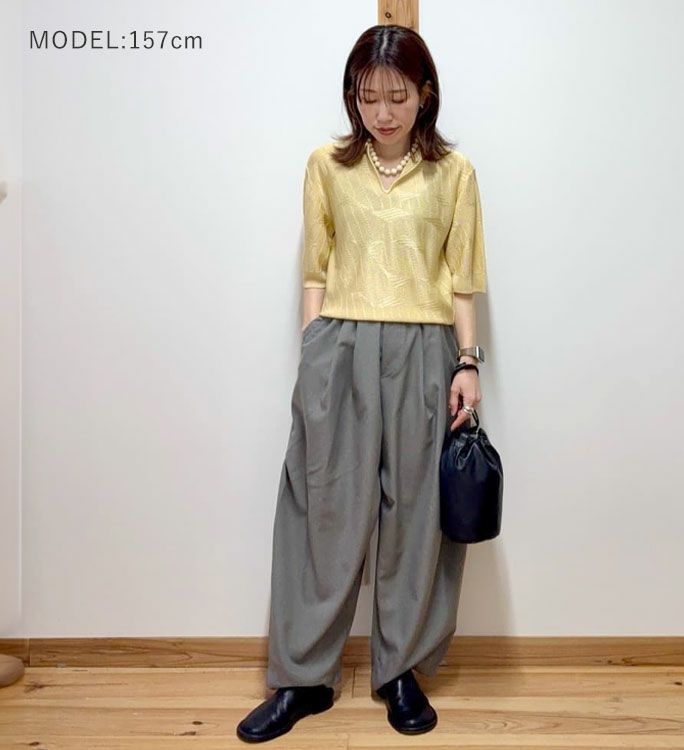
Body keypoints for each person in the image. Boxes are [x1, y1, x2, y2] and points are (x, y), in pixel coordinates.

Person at [237, 23, 487, 744]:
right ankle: (302, 677)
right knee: (323, 509)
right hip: (341, 345)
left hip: (425, 350)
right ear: (353, 95)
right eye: (368, 96)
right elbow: (315, 269)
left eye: (398, 97)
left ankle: (400, 670)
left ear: (425, 95)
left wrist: (469, 364)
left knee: (415, 517)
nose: (382, 112)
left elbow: (462, 280)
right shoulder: (326, 165)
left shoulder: (454, 173)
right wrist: (313, 352)